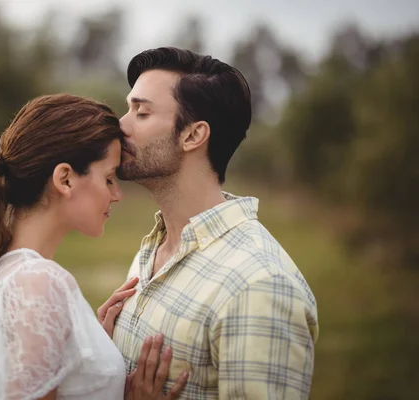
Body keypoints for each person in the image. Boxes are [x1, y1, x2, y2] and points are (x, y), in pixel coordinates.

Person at [102, 47, 319, 399]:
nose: (120, 125)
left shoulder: (258, 286)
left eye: (140, 113)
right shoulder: (155, 249)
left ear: (192, 135)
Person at [0, 93, 188, 400]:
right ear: (65, 179)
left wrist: (88, 349)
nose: (117, 195)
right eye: (109, 178)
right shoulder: (38, 284)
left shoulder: (4, 271)